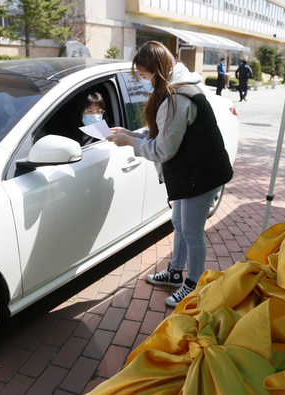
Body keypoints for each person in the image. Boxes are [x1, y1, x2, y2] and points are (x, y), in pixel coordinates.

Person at [106, 41, 233, 307]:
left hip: (201, 176)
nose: (142, 81)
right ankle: (176, 273)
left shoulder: (177, 99)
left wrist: (130, 143)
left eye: (143, 75)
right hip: (191, 173)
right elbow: (163, 135)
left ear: (157, 71)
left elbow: (163, 150)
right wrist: (131, 134)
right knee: (179, 224)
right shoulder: (175, 90)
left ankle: (193, 284)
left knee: (192, 232)